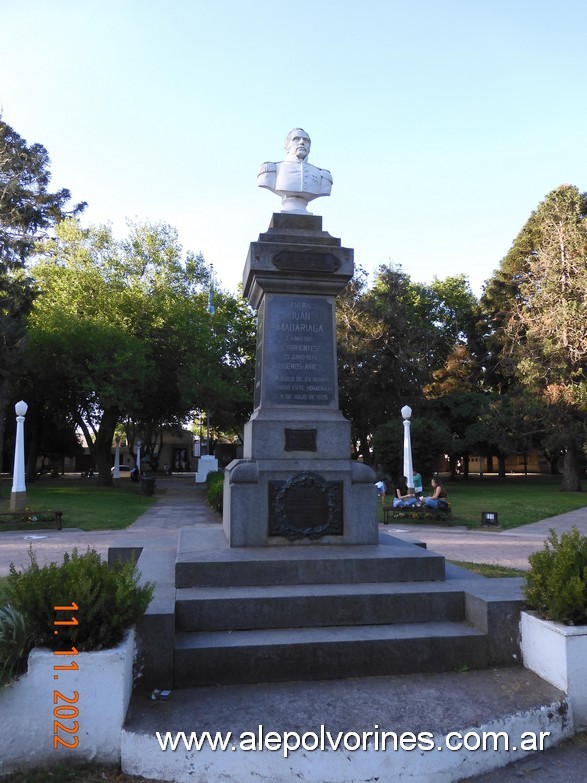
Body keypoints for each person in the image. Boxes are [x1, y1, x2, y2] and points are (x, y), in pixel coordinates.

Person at [257, 128, 333, 214]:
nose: (302, 142)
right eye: (296, 139)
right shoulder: (272, 169)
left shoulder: (322, 175)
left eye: (306, 140)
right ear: (287, 146)